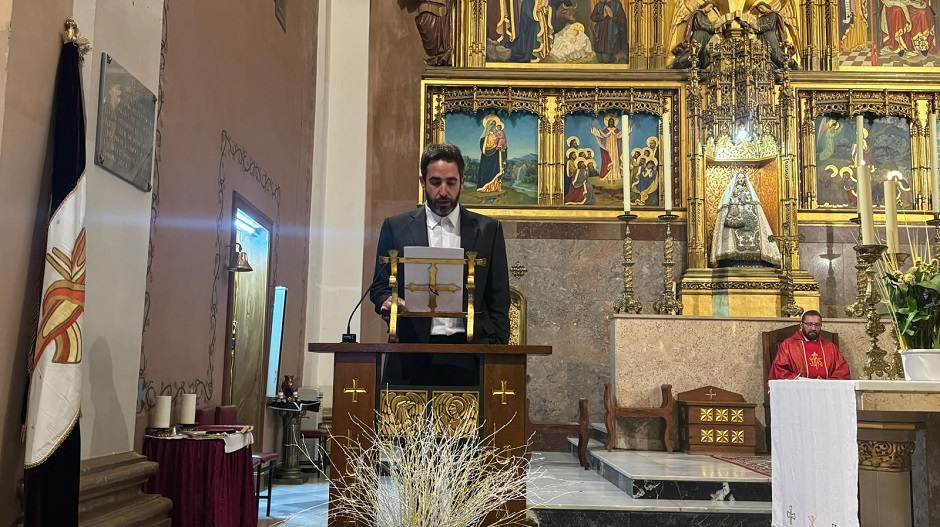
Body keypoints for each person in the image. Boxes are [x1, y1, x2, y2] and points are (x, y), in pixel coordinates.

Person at [370, 142, 511, 386]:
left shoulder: (488, 230)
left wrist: (496, 349)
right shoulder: (396, 227)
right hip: (410, 353)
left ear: (462, 181)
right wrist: (387, 301)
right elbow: (379, 288)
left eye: (451, 182)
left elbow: (499, 296)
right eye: (435, 182)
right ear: (423, 182)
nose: (443, 191)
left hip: (470, 354)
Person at [711, 173, 781, 267]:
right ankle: (731, 257)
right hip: (735, 217)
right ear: (736, 180)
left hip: (749, 217)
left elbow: (754, 204)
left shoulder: (749, 192)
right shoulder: (732, 192)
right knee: (731, 236)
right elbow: (729, 204)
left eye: (742, 178)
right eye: (739, 178)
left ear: (745, 179)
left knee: (756, 233)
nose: (740, 180)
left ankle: (755, 259)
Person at [768, 311, 851, 385]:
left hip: (826, 391)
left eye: (817, 325)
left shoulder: (830, 347)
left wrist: (826, 382)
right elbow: (779, 370)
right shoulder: (788, 345)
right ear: (801, 325)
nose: (813, 328)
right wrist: (804, 382)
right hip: (799, 392)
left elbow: (842, 370)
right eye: (809, 324)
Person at [671, 0, 718, 69]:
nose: (711, 9)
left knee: (703, 53)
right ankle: (678, 63)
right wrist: (713, 27)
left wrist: (716, 25)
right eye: (710, 7)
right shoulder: (698, 13)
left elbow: (709, 25)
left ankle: (699, 67)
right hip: (699, 36)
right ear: (706, 5)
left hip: (704, 38)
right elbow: (701, 25)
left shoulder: (705, 17)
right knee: (695, 52)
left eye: (712, 8)